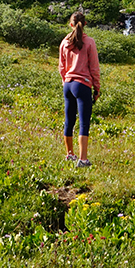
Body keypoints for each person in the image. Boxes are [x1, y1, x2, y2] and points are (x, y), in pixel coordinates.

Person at [58, 11, 100, 168]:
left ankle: (70, 154)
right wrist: (96, 88)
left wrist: (65, 81)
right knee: (84, 122)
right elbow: (94, 68)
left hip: (68, 84)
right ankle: (83, 159)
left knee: (69, 120)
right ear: (85, 24)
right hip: (82, 84)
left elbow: (62, 67)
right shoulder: (89, 42)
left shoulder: (64, 42)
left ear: (70, 24)